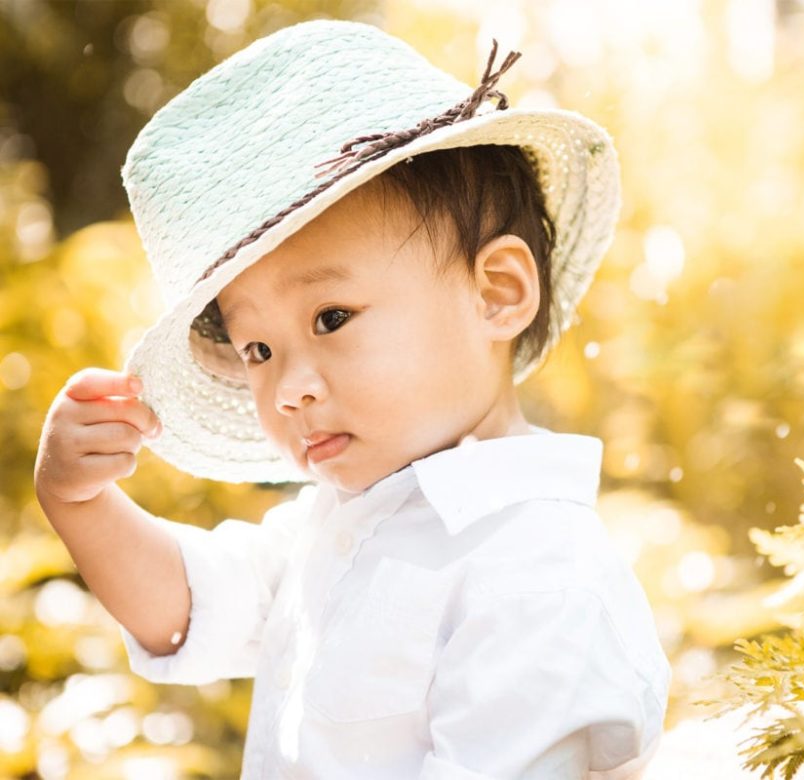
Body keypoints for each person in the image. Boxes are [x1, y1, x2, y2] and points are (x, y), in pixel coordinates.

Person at [33, 19, 671, 779]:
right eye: (258, 351)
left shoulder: (532, 573)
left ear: (496, 293)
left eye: (331, 318)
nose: (290, 388)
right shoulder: (343, 524)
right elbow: (188, 606)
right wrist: (80, 503)